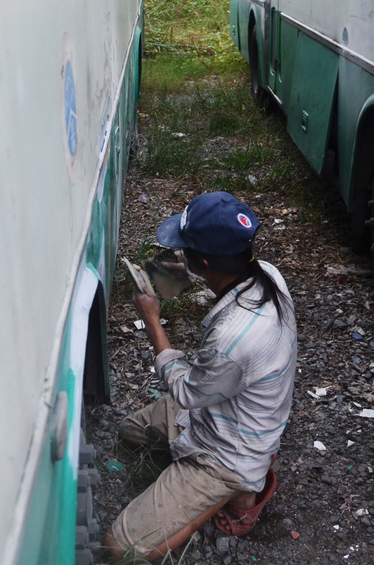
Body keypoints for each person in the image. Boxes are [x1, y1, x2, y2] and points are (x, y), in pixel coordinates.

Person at [102, 192, 297, 561]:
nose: (181, 258)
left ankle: (238, 492)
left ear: (205, 262)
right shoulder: (266, 272)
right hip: (221, 410)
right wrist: (188, 270)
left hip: (228, 451)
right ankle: (228, 483)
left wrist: (152, 320)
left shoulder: (232, 341)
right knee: (130, 429)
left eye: (186, 253)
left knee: (121, 548)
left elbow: (185, 392)